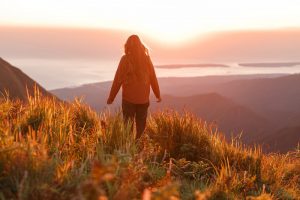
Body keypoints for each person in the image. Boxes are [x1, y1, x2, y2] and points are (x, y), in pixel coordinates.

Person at [107, 35, 161, 139]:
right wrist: (157, 94)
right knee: (141, 126)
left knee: (128, 126)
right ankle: (138, 146)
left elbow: (117, 80)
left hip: (128, 100)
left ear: (127, 46)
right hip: (143, 100)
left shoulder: (125, 60)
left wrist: (111, 97)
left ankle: (128, 148)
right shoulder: (146, 60)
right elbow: (153, 78)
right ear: (141, 46)